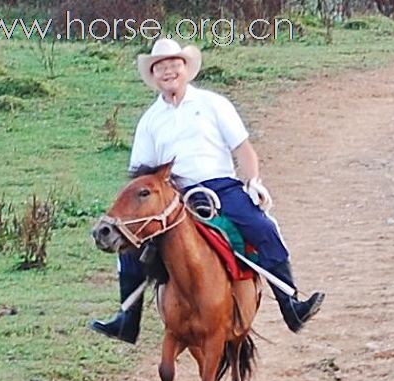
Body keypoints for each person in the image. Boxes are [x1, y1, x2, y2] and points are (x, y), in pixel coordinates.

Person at [90, 38, 325, 344]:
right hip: (171, 196)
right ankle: (127, 319)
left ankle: (290, 304)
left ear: (185, 69)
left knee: (262, 227)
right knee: (130, 247)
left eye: (174, 65)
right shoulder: (149, 121)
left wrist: (253, 182)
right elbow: (143, 175)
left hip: (220, 187)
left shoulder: (214, 104)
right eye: (161, 67)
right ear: (154, 75)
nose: (169, 71)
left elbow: (243, 149)